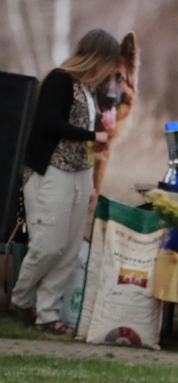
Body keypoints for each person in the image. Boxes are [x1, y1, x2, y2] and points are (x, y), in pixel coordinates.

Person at [9, 28, 117, 335]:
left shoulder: (87, 90)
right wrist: (92, 135)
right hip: (50, 171)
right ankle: (21, 298)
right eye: (108, 63)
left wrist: (92, 146)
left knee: (69, 249)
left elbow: (73, 130)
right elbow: (49, 122)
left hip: (79, 172)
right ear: (96, 57)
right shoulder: (60, 79)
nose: (109, 72)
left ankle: (47, 313)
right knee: (48, 245)